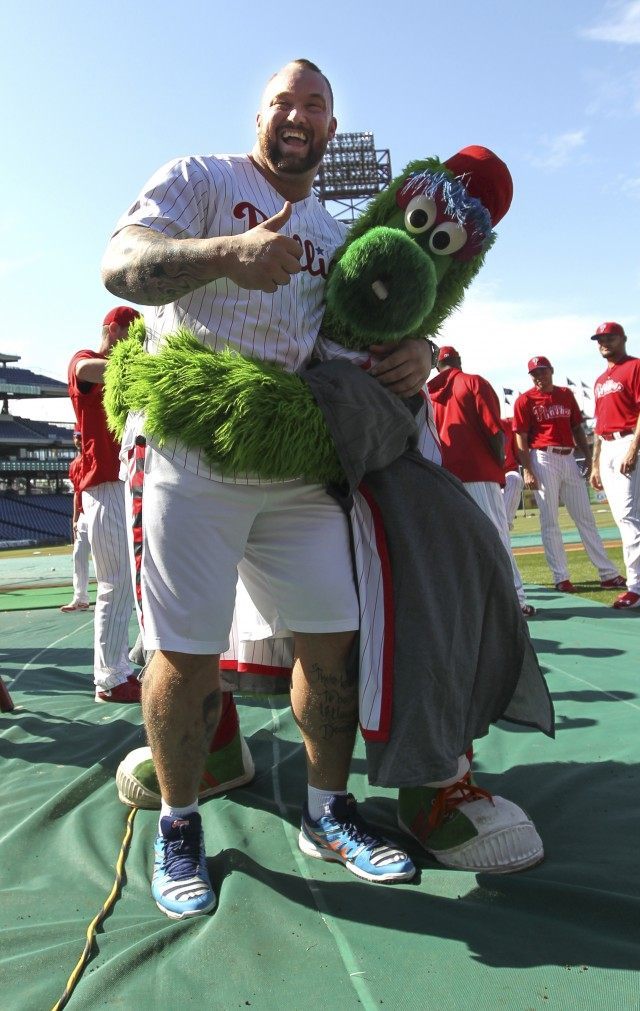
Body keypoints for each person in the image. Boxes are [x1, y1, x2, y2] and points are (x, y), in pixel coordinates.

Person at [101, 59, 432, 919]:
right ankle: (180, 823)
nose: (299, 114)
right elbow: (120, 263)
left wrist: (417, 354)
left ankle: (328, 810)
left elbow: (357, 340)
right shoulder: (202, 178)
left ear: (331, 129)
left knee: (334, 645)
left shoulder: (332, 229)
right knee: (185, 654)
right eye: (284, 100)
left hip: (292, 460)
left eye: (315, 105)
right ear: (259, 117)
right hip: (193, 447)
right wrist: (225, 254)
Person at [427, 347, 536, 617]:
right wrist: (498, 462)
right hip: (478, 471)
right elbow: (494, 430)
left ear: (437, 365)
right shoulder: (473, 382)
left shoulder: (426, 393)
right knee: (497, 535)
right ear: (458, 362)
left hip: (443, 475)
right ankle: (515, 600)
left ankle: (469, 604)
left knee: (456, 542)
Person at [68, 306, 142, 702]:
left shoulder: (125, 370)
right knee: (115, 582)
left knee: (138, 580)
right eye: (131, 336)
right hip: (104, 484)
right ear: (113, 331)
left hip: (128, 480)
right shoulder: (85, 359)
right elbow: (86, 372)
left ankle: (134, 657)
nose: (135, 345)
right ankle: (110, 679)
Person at [513, 355, 624, 594]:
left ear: (551, 371)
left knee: (585, 517)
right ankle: (561, 577)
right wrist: (528, 470)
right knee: (550, 520)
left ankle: (607, 574)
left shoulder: (565, 394)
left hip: (569, 457)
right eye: (534, 373)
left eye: (542, 371)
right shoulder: (525, 400)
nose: (539, 376)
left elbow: (576, 427)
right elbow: (520, 435)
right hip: (542, 456)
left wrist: (588, 455)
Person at [589, 322, 640, 608]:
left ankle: (635, 587)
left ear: (623, 339)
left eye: (610, 337)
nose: (604, 342)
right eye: (600, 338)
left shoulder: (635, 367)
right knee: (629, 518)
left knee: (628, 519)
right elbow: (598, 425)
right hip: (607, 447)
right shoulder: (599, 380)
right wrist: (595, 463)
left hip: (626, 441)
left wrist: (633, 448)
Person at [60, 431, 91, 612]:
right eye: (76, 436)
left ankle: (119, 596)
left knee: (109, 560)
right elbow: (76, 493)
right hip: (83, 515)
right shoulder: (74, 465)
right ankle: (80, 598)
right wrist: (75, 519)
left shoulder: (92, 459)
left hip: (100, 509)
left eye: (81, 435)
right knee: (78, 556)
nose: (79, 439)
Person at [501, 417, 524, 529]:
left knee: (515, 479)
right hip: (489, 477)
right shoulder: (477, 426)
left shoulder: (508, 424)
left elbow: (518, 454)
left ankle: (505, 525)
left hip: (507, 474)